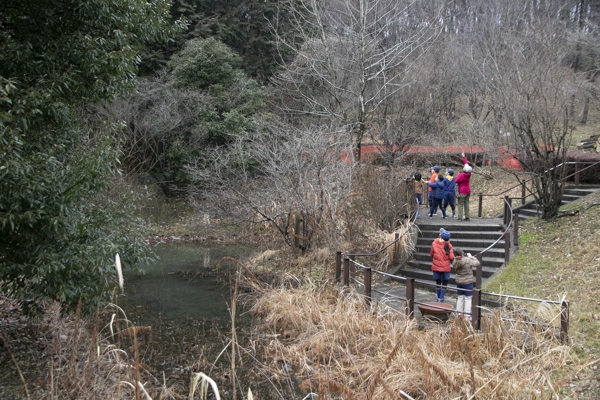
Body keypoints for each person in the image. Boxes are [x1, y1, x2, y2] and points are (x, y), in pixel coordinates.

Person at [452, 248, 479, 320]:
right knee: (468, 298)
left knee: (460, 297)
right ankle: (467, 316)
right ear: (462, 253)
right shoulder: (467, 260)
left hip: (459, 282)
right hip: (467, 282)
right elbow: (477, 263)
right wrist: (471, 256)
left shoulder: (455, 261)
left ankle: (458, 314)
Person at [430, 228, 454, 302]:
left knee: (438, 282)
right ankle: (441, 297)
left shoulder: (434, 243)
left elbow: (431, 254)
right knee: (444, 283)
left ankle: (438, 297)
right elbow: (451, 257)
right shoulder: (449, 245)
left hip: (436, 266)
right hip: (445, 267)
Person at [455, 152, 472, 221]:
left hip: (462, 191)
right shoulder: (469, 174)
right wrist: (464, 157)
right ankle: (467, 217)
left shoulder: (461, 175)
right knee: (466, 204)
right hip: (468, 191)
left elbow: (456, 181)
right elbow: (466, 164)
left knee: (460, 204)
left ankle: (460, 217)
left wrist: (459, 174)